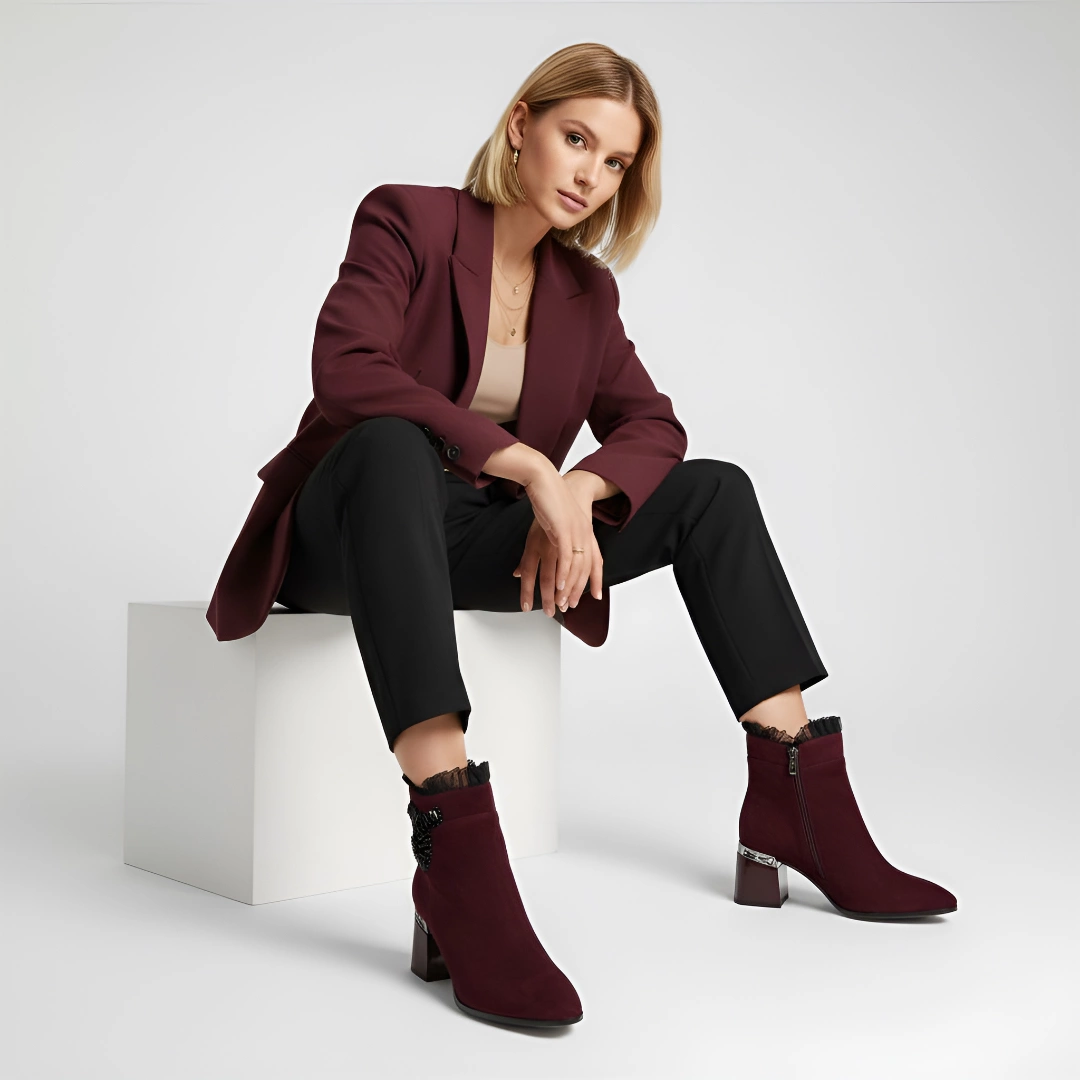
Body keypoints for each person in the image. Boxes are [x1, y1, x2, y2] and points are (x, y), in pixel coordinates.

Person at [207, 42, 956, 1030]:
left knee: (714, 490)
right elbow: (349, 369)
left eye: (615, 162)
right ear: (521, 124)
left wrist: (584, 485)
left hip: (471, 541)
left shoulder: (585, 293)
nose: (590, 175)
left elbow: (654, 424)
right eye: (576, 139)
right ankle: (453, 847)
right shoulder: (409, 220)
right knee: (390, 441)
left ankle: (794, 798)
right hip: (347, 534)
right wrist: (528, 467)